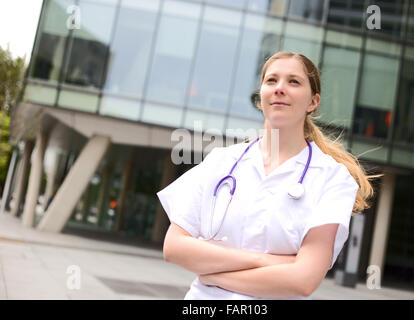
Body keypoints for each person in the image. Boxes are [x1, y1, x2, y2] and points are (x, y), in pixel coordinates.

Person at [157, 51, 379, 300]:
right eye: (271, 80)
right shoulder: (222, 161)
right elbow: (174, 247)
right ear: (260, 96)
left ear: (313, 102)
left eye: (293, 82)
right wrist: (263, 260)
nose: (280, 88)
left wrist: (213, 275)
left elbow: (303, 281)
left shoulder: (332, 178)